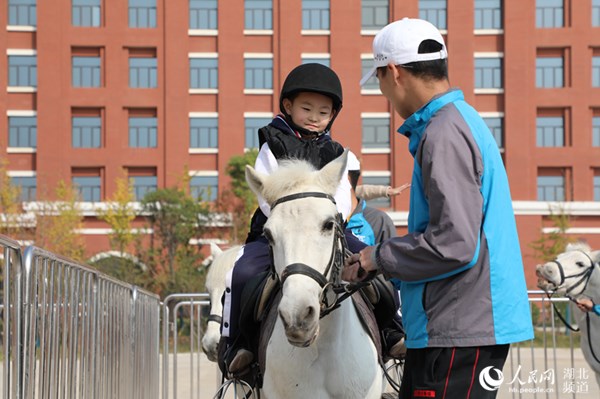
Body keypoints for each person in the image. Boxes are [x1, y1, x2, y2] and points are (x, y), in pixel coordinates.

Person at [343, 18, 534, 399]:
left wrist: (374, 257)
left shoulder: (443, 133)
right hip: (460, 325)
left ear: (393, 72)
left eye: (379, 80)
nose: (383, 92)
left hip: (458, 328)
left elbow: (454, 242)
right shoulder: (459, 122)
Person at [220, 63, 364, 380]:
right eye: (307, 108)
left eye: (323, 111)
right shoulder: (273, 144)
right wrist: (291, 224)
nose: (315, 116)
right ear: (288, 106)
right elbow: (265, 191)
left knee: (374, 261)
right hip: (276, 233)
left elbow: (342, 195)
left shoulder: (337, 152)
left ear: (333, 115)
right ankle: (238, 345)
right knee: (239, 273)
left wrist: (327, 221)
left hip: (327, 232)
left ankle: (392, 330)